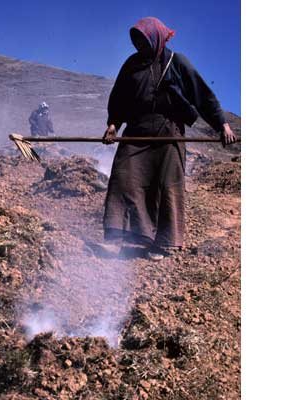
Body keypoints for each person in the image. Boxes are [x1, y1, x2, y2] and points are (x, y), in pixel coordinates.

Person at [101, 17, 237, 261]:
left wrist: (222, 124)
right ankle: (120, 237)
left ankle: (163, 244)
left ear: (156, 38)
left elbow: (202, 95)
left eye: (144, 41)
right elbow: (119, 97)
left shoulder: (177, 62)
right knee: (123, 177)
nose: (139, 46)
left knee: (166, 187)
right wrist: (113, 124)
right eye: (136, 42)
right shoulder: (131, 65)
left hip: (168, 132)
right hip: (136, 132)